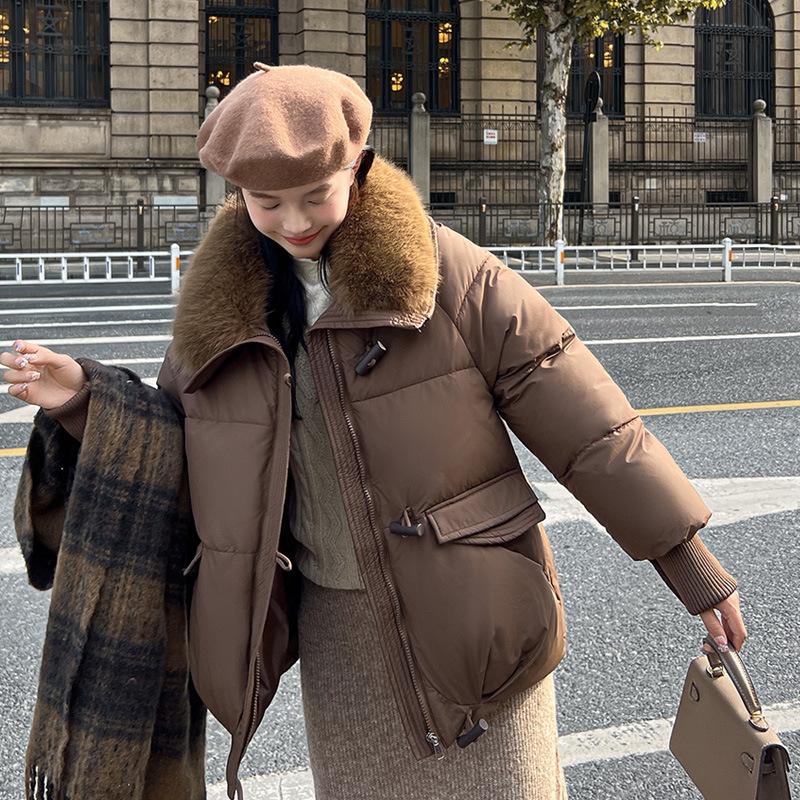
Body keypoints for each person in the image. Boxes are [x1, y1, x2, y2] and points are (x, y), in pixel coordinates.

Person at [2, 63, 747, 800]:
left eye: (314, 197)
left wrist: (688, 564)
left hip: (475, 624)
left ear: (356, 166)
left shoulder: (448, 274)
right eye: (267, 203)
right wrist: (85, 402)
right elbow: (177, 446)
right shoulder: (218, 313)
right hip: (339, 637)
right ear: (238, 193)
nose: (294, 224)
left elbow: (589, 425)